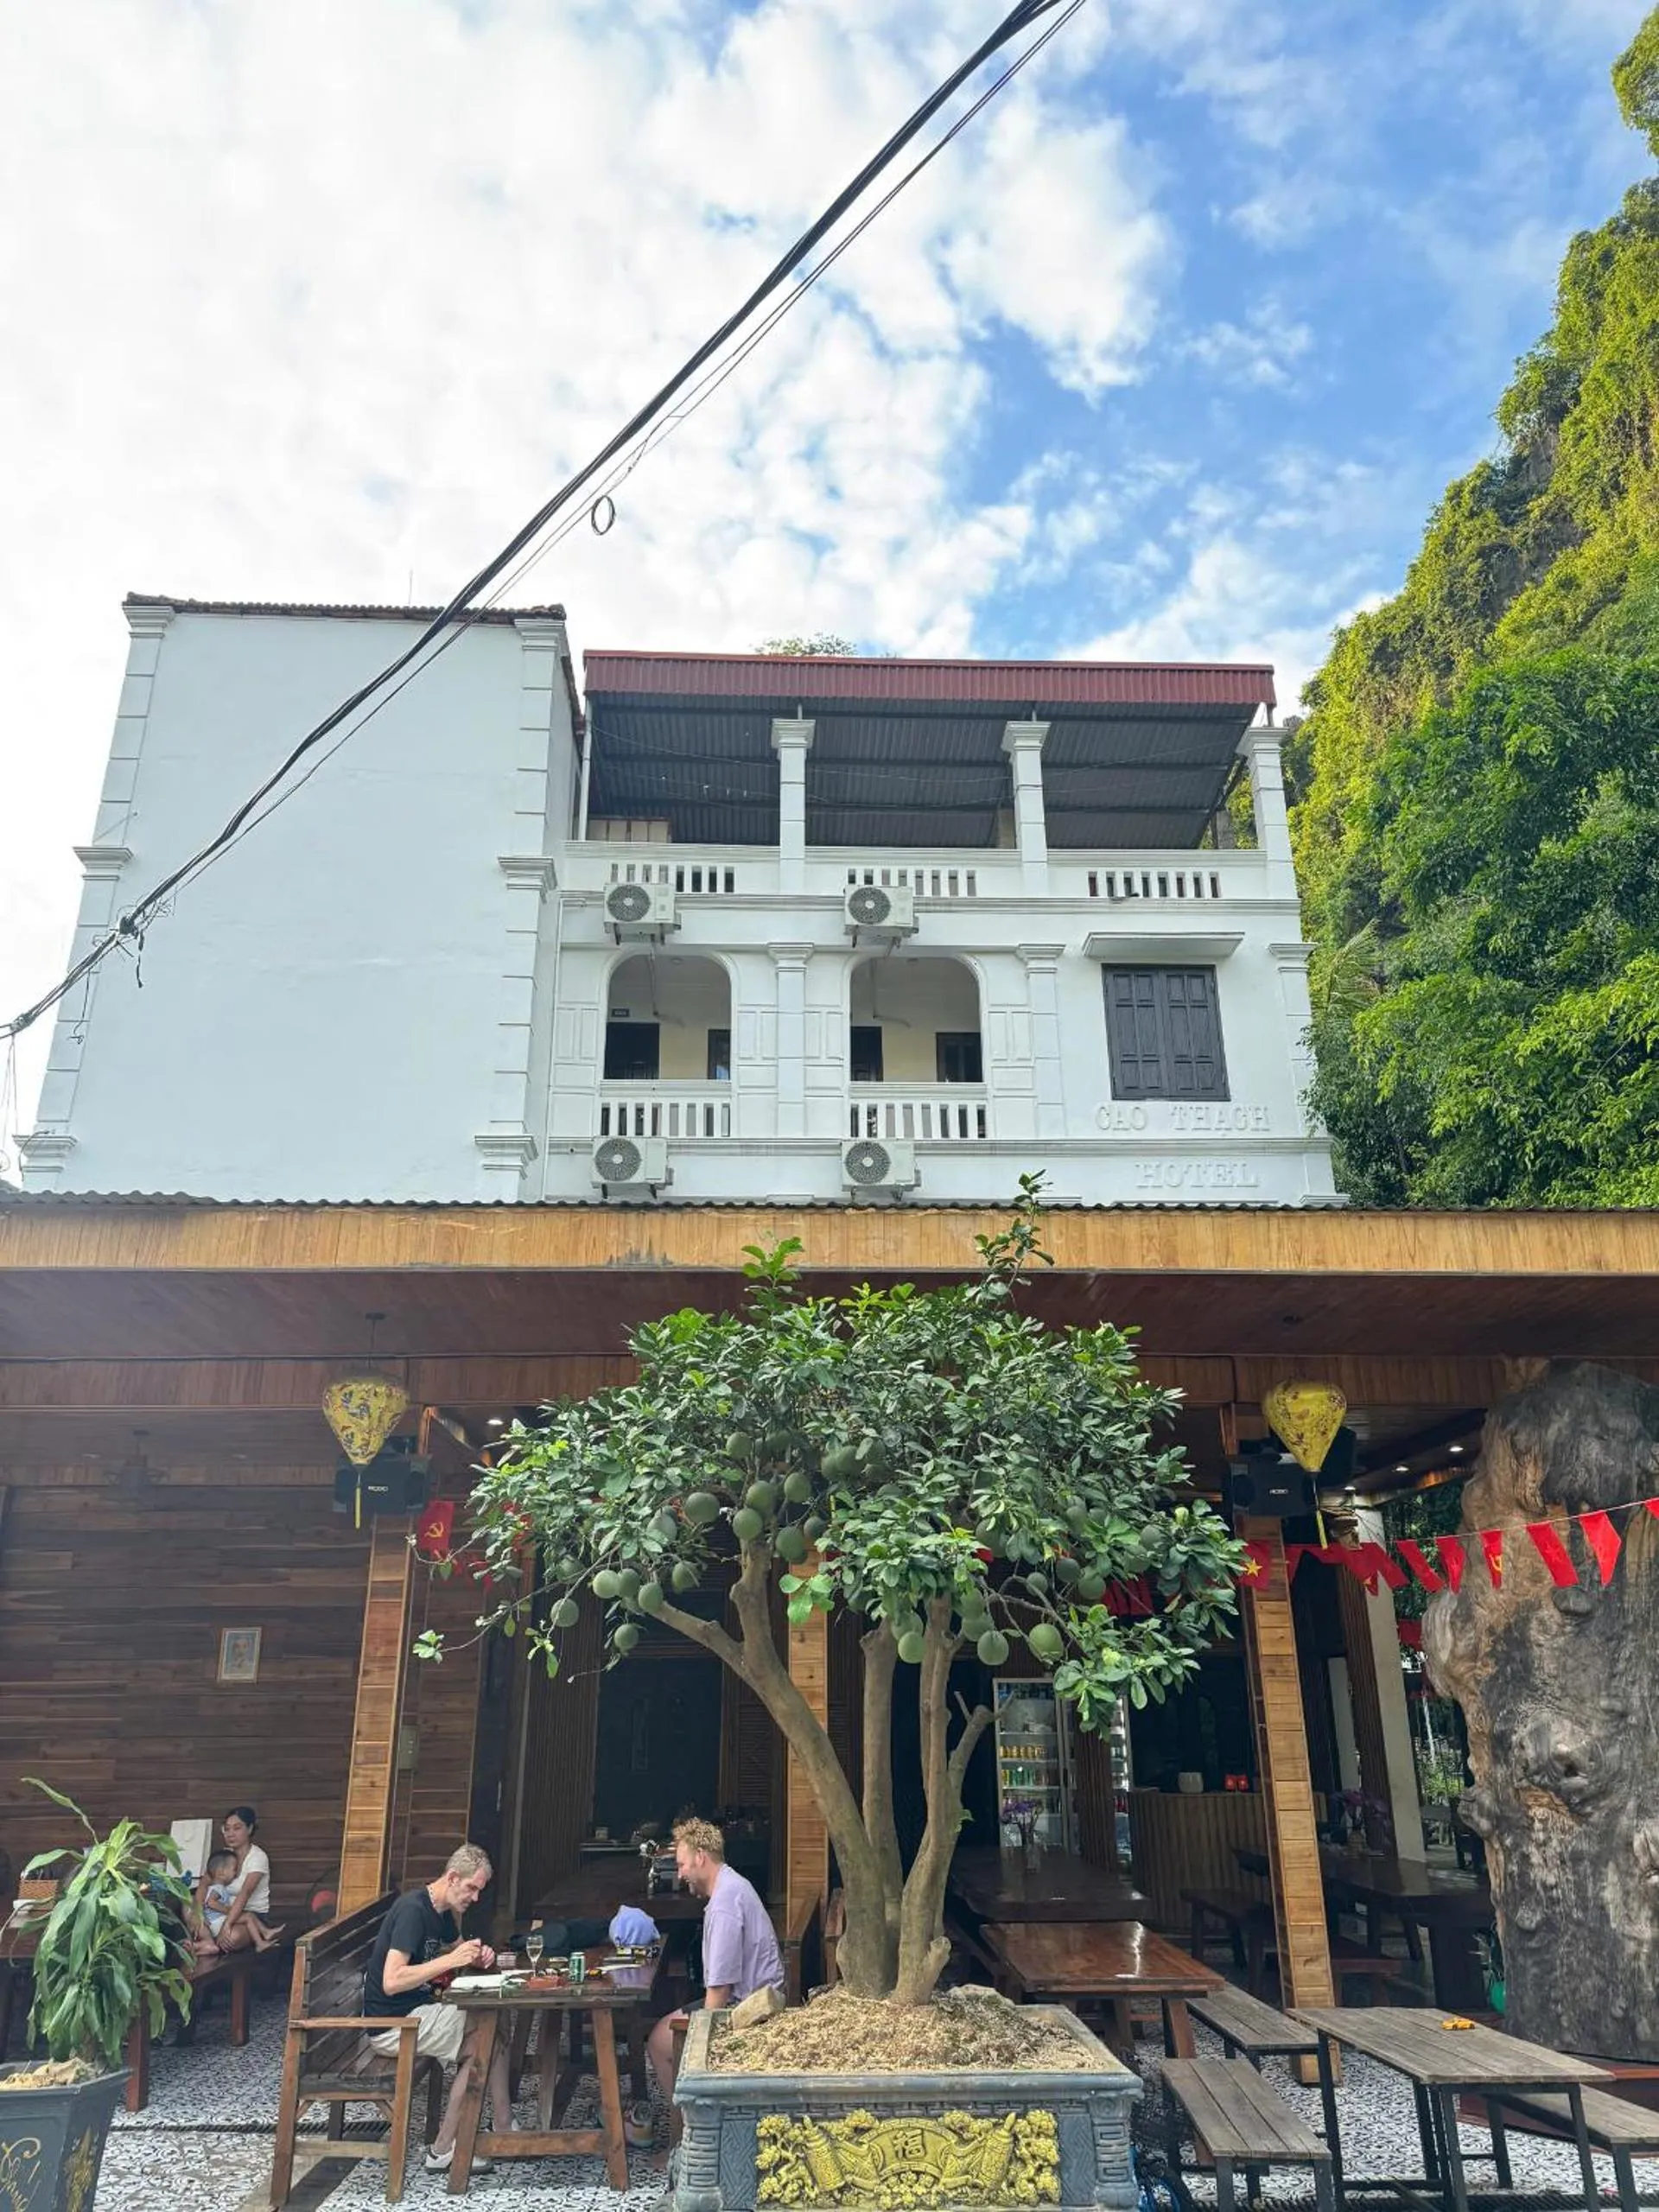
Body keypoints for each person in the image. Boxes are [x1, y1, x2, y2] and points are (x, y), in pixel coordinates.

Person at [363, 1841, 515, 2176]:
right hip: (392, 2024)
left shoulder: (442, 1912)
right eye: (471, 1888)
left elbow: (462, 1951)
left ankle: (503, 2125)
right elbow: (392, 1979)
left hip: (417, 2011)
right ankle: (444, 2149)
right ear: (451, 1877)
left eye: (480, 1890)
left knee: (496, 2018)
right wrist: (450, 1960)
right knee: (482, 2042)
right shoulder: (413, 1911)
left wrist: (480, 1954)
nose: (475, 1898)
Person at [639, 1818, 784, 2150]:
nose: (680, 1874)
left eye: (682, 1864)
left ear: (701, 1857)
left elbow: (718, 1995)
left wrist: (700, 2049)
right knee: (667, 2029)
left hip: (749, 2009)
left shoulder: (723, 1907)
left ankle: (695, 2139)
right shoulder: (733, 1885)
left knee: (661, 2041)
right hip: (760, 1995)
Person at [192, 1806, 283, 1959]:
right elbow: (203, 1884)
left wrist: (227, 1925)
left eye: (237, 1828)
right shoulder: (225, 1856)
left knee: (231, 1938)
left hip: (251, 1916)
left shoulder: (258, 1857)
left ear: (249, 1829)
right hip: (220, 1912)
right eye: (227, 1829)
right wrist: (198, 1913)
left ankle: (207, 1942)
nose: (230, 1834)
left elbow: (244, 1894)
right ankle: (209, 1942)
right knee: (188, 1906)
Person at [200, 1849, 282, 1953]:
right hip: (217, 1921)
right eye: (233, 1870)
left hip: (218, 1919)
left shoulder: (217, 1887)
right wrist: (227, 1910)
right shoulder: (218, 1888)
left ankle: (265, 1933)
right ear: (221, 1873)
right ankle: (260, 1943)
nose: (235, 1873)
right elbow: (210, 1903)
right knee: (248, 1917)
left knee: (249, 1916)